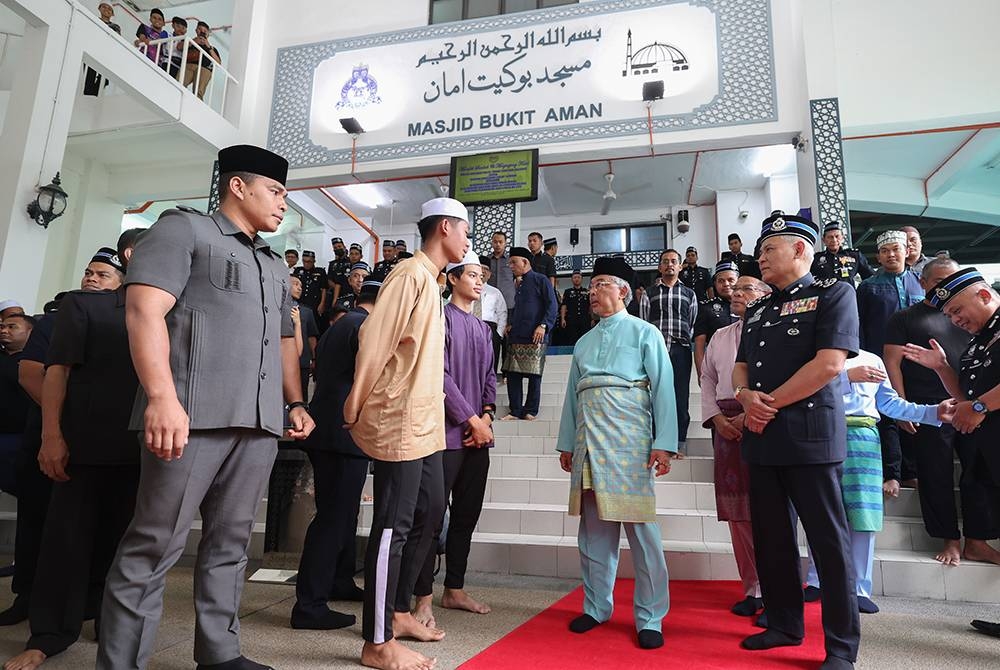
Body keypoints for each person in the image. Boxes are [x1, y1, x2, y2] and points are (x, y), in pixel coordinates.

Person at [96, 145, 314, 670]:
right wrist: (161, 398)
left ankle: (219, 654)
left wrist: (294, 402)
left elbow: (284, 342)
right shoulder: (183, 230)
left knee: (231, 545)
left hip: (257, 423)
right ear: (238, 186)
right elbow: (144, 310)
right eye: (275, 191)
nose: (283, 203)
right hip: (190, 418)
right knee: (154, 545)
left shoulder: (272, 263)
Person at [344, 196, 469, 670]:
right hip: (398, 420)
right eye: (465, 231)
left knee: (430, 510)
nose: (467, 241)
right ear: (445, 228)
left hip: (426, 425)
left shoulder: (432, 284)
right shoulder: (409, 275)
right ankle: (377, 641)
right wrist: (355, 404)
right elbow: (374, 343)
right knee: (391, 528)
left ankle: (397, 612)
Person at [4, 243, 141, 670]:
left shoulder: (164, 312)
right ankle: (48, 634)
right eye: (90, 272)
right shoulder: (75, 310)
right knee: (63, 540)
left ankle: (107, 619)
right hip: (81, 444)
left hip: (138, 447)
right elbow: (49, 373)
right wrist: (55, 433)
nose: (92, 279)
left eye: (102, 274)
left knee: (123, 543)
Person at [733, 212, 860, 669]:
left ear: (800, 249)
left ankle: (841, 647)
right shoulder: (759, 308)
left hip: (809, 437)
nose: (761, 258)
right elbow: (741, 366)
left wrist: (765, 405)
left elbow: (829, 364)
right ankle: (785, 624)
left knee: (829, 543)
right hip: (763, 437)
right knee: (772, 538)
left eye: (770, 249)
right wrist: (744, 396)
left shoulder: (834, 294)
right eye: (760, 251)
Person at [556, 255, 675, 650]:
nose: (593, 291)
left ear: (623, 290)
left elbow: (663, 388)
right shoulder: (583, 342)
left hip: (630, 442)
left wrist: (664, 443)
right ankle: (596, 607)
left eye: (601, 283)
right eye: (591, 285)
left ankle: (651, 616)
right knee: (593, 533)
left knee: (642, 533)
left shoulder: (645, 332)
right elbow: (572, 396)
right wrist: (567, 443)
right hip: (588, 441)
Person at [801, 349, 953, 616]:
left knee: (864, 517)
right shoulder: (812, 355)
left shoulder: (872, 359)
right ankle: (817, 580)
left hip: (864, 437)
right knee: (820, 512)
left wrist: (932, 412)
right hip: (820, 434)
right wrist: (847, 377)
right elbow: (803, 393)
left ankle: (859, 587)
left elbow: (890, 403)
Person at [897, 267, 1000, 638]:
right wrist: (941, 368)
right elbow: (966, 399)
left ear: (984, 296)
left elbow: (977, 405)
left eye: (957, 311)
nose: (955, 320)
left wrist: (981, 407)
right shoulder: (976, 343)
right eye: (950, 316)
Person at [290, 279, 382, 631]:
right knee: (332, 519)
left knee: (343, 515)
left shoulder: (343, 323)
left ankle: (339, 581)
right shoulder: (363, 327)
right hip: (342, 434)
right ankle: (309, 605)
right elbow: (369, 378)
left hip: (328, 429)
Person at [412, 249, 497, 628]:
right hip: (446, 436)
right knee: (431, 518)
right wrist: (471, 419)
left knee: (466, 515)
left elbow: (490, 377)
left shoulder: (483, 328)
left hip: (478, 436)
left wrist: (486, 417)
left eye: (482, 277)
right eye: (473, 275)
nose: (479, 282)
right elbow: (439, 375)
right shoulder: (439, 318)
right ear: (452, 278)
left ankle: (455, 588)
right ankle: (422, 599)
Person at [700, 275, 771, 620]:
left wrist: (749, 414)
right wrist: (717, 419)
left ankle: (776, 590)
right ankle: (752, 589)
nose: (736, 293)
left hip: (765, 419)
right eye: (734, 289)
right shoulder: (720, 336)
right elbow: (708, 379)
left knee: (769, 510)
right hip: (725, 424)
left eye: (746, 289)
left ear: (766, 295)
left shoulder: (773, 329)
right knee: (738, 514)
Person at [857, 230, 924, 489]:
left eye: (896, 249)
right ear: (878, 256)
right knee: (888, 416)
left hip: (919, 362)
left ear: (907, 251)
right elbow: (859, 326)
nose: (891, 255)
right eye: (885, 251)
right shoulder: (868, 287)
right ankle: (893, 471)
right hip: (880, 362)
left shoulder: (921, 282)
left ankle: (913, 470)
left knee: (915, 411)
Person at [645, 249, 697, 455]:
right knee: (656, 396)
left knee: (680, 397)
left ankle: (679, 444)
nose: (669, 265)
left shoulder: (689, 294)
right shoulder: (649, 293)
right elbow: (645, 324)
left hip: (680, 350)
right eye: (665, 261)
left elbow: (691, 323)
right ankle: (658, 442)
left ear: (680, 266)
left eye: (674, 261)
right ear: (660, 267)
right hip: (656, 352)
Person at [502, 247, 557, 421]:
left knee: (534, 375)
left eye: (513, 262)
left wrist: (543, 325)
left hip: (536, 335)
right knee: (513, 374)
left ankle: (531, 411)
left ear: (525, 262)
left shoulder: (541, 280)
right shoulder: (518, 283)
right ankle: (515, 411)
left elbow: (552, 305)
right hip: (517, 335)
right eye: (510, 263)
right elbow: (519, 307)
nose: (511, 266)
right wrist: (511, 323)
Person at [0, 314, 34, 493]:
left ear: (31, 332)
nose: (4, 330)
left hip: (17, 436)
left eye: (12, 327)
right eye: (2, 327)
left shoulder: (36, 363)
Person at [693, 261, 739, 379]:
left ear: (738, 281)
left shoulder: (750, 306)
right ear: (715, 283)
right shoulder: (706, 308)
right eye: (721, 281)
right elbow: (699, 345)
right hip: (718, 368)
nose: (726, 284)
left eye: (731, 280)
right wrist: (702, 376)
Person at [811, 222, 873, 287]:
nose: (834, 240)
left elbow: (870, 278)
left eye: (837, 236)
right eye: (830, 237)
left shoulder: (854, 255)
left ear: (842, 238)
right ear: (824, 240)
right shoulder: (816, 258)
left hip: (848, 293)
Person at [288, 276, 319, 403]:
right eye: (295, 284)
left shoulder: (306, 311)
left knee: (301, 396)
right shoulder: (276, 309)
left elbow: (311, 337)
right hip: (282, 360)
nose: (299, 288)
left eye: (301, 285)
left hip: (302, 362)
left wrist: (314, 359)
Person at [477, 256, 507, 374]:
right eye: (481, 268)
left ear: (489, 274)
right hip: (471, 327)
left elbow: (502, 313)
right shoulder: (466, 289)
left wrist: (498, 334)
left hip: (490, 329)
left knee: (490, 365)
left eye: (486, 269)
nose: (483, 271)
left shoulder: (495, 292)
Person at [83, 4, 122, 95]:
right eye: (104, 7)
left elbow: (116, 39)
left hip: (106, 53)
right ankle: (89, 95)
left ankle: (94, 95)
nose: (106, 10)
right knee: (89, 76)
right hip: (93, 51)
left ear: (112, 14)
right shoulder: (93, 20)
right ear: (99, 8)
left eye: (109, 9)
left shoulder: (115, 26)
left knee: (104, 79)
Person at [291, 250, 328, 333]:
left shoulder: (320, 271)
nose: (306, 264)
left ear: (314, 261)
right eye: (304, 261)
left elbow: (324, 289)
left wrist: (322, 304)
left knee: (314, 325)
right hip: (300, 301)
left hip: (314, 303)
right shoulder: (298, 270)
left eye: (309, 261)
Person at [184, 21, 222, 100]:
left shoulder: (212, 48)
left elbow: (218, 63)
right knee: (179, 82)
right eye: (200, 29)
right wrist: (194, 41)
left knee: (198, 92)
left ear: (208, 34)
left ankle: (196, 105)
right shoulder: (190, 41)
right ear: (196, 30)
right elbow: (179, 47)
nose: (202, 32)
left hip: (205, 69)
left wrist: (208, 46)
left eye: (205, 31)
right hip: (189, 66)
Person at [560, 270, 591, 346]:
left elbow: (591, 306)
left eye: (578, 277)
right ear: (572, 279)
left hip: (584, 320)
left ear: (582, 279)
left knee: (585, 340)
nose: (576, 279)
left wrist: (592, 318)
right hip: (571, 320)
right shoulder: (568, 292)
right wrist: (563, 319)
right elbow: (564, 306)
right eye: (574, 277)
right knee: (572, 340)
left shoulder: (587, 292)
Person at [327, 237, 352, 306]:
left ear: (344, 247)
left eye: (339, 246)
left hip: (349, 294)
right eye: (335, 248)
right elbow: (329, 280)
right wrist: (337, 288)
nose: (337, 249)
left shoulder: (351, 261)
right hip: (335, 294)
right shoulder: (332, 264)